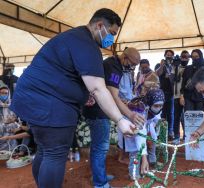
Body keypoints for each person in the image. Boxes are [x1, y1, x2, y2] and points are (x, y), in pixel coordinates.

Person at [9, 8, 136, 188]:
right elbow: (99, 89)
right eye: (112, 33)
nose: (111, 39)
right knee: (55, 153)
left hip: (32, 99)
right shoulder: (88, 45)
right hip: (47, 104)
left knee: (46, 150)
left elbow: (67, 75)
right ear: (99, 25)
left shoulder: (73, 37)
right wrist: (120, 119)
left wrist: (82, 96)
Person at [82, 47, 143, 188]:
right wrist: (130, 114)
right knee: (101, 147)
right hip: (99, 110)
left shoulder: (114, 64)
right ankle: (101, 183)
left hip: (97, 109)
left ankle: (98, 176)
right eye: (132, 64)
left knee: (98, 145)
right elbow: (113, 96)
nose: (133, 67)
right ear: (124, 57)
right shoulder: (114, 66)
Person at [155, 50, 175, 139]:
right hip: (161, 93)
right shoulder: (159, 65)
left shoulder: (175, 65)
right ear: (164, 55)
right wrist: (162, 65)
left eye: (171, 55)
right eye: (167, 55)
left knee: (170, 113)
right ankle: (161, 132)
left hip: (171, 93)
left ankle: (170, 132)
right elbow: (156, 74)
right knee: (161, 113)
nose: (169, 57)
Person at [172, 50, 189, 144]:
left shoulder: (190, 68)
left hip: (187, 96)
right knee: (176, 117)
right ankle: (176, 136)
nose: (184, 59)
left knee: (187, 117)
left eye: (186, 57)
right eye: (183, 56)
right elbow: (171, 79)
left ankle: (187, 136)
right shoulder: (175, 67)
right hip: (176, 95)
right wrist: (175, 66)